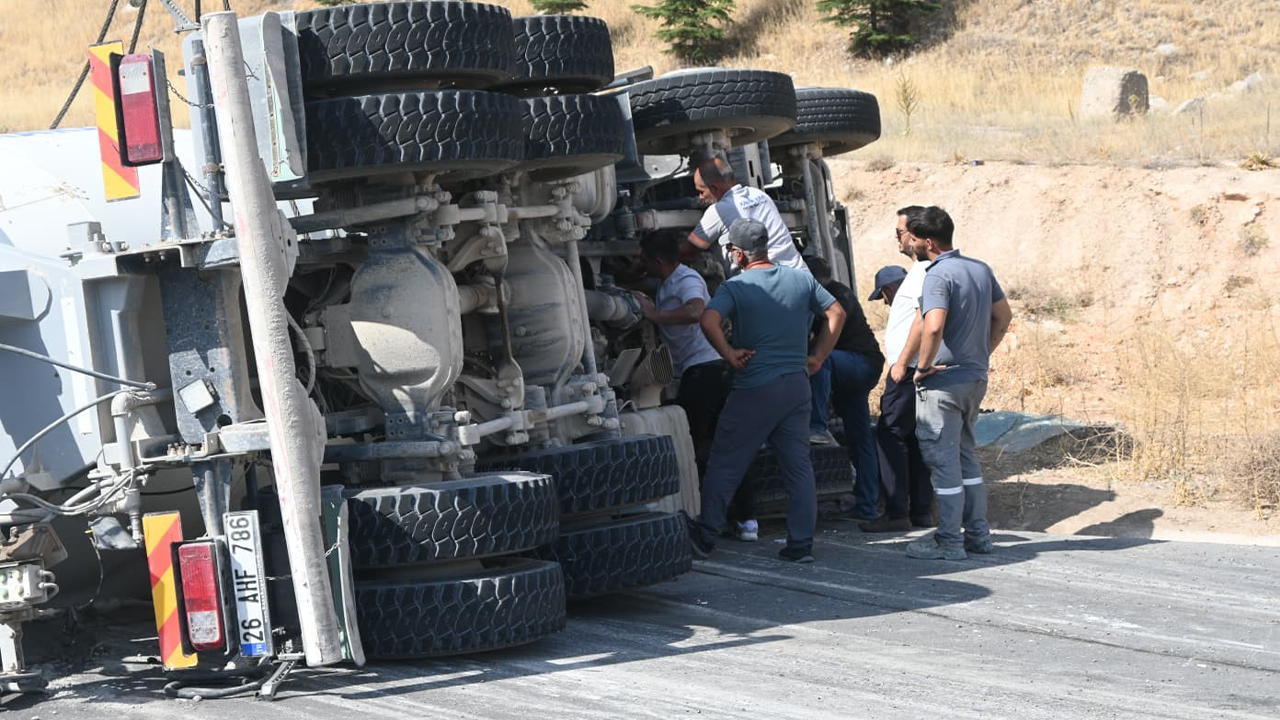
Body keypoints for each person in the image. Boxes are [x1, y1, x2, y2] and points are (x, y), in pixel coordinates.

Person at [685, 218, 846, 564]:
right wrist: (817, 356)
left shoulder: (736, 287)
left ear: (739, 254)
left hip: (755, 387)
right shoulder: (800, 279)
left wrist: (728, 353)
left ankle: (705, 536)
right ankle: (801, 544)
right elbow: (836, 312)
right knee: (798, 467)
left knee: (725, 462)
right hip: (796, 386)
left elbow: (707, 320)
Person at [636, 231, 759, 542]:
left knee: (701, 447)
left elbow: (695, 311)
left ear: (657, 261)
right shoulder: (669, 282)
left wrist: (655, 315)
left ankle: (713, 520)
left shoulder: (686, 280)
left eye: (644, 261)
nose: (642, 266)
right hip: (706, 372)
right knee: (725, 446)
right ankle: (744, 520)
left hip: (704, 373)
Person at [905, 207, 1013, 560]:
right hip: (974, 377)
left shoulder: (937, 276)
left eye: (915, 239)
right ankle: (978, 535)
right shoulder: (980, 269)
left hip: (943, 382)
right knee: (966, 456)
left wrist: (921, 367)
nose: (911, 244)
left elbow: (933, 325)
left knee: (942, 460)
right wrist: (982, 354)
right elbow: (1003, 316)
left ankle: (949, 542)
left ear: (929, 242)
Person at [860, 206, 937, 534]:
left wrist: (902, 363)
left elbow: (923, 320)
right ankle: (919, 511)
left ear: (918, 234)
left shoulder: (924, 272)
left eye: (901, 234)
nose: (899, 242)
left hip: (909, 370)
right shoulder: (924, 272)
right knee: (916, 439)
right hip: (919, 367)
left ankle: (896, 512)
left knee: (889, 434)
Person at [803, 256, 884, 523]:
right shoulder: (831, 295)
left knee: (820, 359)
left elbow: (822, 345)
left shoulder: (838, 298)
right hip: (857, 371)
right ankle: (867, 504)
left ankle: (816, 424)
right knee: (860, 439)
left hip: (860, 364)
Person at [683, 154, 807, 272]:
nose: (700, 197)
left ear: (714, 188)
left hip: (767, 285)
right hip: (799, 272)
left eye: (701, 191)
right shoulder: (759, 194)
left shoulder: (718, 211)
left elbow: (689, 251)